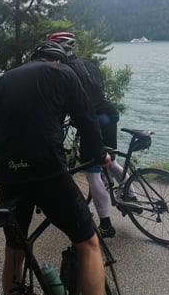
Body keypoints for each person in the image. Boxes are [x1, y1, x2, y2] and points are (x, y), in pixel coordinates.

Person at [0, 41, 110, 295]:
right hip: (47, 169)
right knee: (88, 243)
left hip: (8, 172)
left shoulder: (4, 80)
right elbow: (87, 119)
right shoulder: (63, 73)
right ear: (58, 60)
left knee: (14, 249)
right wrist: (99, 155)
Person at [48, 31, 127, 238]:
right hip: (110, 114)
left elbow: (67, 102)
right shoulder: (89, 63)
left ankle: (105, 224)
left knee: (92, 172)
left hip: (94, 121)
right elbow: (98, 90)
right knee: (108, 159)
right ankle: (131, 197)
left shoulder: (63, 70)